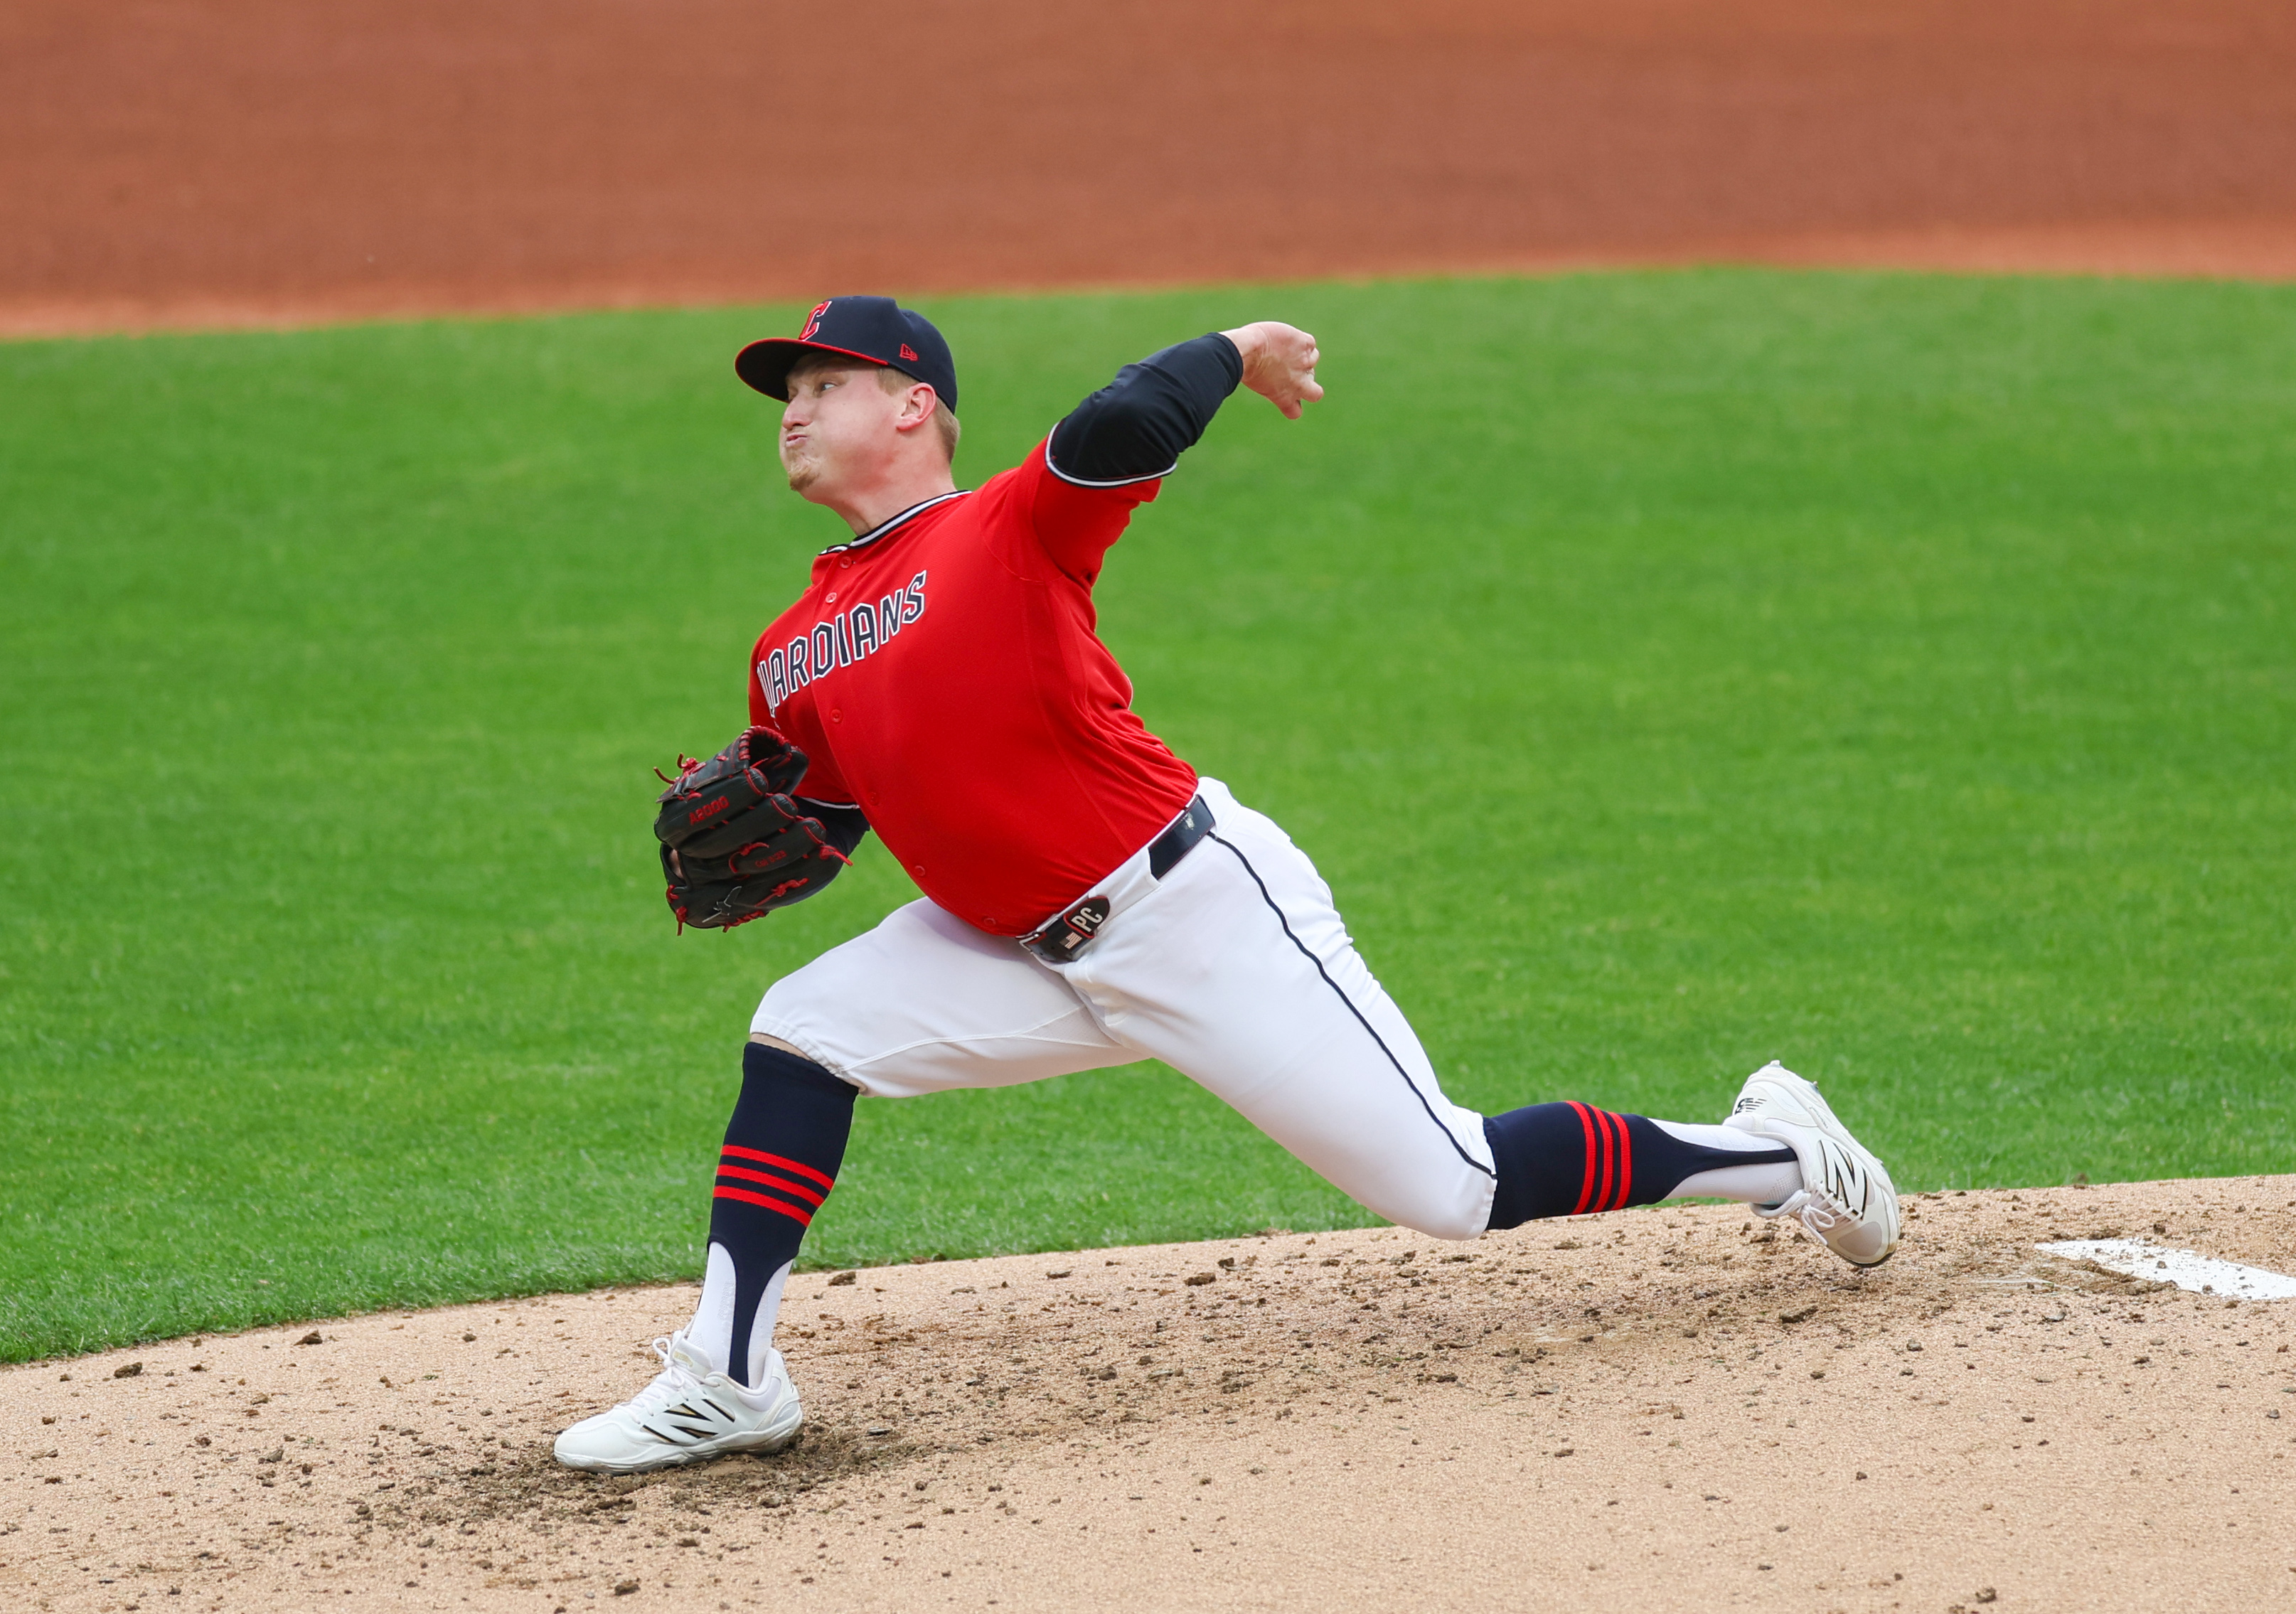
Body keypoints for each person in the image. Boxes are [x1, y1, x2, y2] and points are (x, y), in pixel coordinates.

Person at [552, 297, 1900, 1472]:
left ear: (913, 408)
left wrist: (1236, 347)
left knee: (1453, 1183)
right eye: (787, 394)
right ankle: (730, 1374)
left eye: (821, 384)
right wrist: (770, 852)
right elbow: (826, 822)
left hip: (1188, 910)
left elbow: (1112, 430)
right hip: (1014, 946)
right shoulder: (788, 648)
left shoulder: (1003, 531)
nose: (792, 411)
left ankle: (1781, 1152)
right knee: (805, 1027)